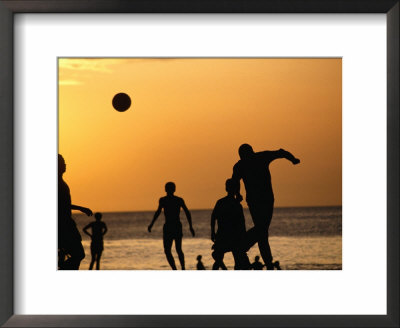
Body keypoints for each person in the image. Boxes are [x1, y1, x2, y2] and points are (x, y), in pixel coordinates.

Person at [232, 144, 300, 269]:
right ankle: (265, 261)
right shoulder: (251, 161)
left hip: (262, 200)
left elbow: (281, 152)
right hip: (261, 200)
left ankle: (247, 246)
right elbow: (282, 152)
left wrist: (293, 159)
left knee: (262, 231)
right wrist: (292, 159)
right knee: (262, 231)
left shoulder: (248, 162)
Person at [148, 182, 195, 270]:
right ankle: (177, 269)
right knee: (170, 250)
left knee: (176, 249)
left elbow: (187, 212)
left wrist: (191, 226)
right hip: (171, 227)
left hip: (174, 226)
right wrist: (151, 224)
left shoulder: (177, 200)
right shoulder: (165, 200)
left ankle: (181, 268)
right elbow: (158, 212)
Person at [58, 154, 93, 270]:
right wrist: (81, 208)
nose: (65, 165)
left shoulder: (62, 183)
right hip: (64, 225)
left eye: (64, 163)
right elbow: (61, 205)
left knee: (76, 256)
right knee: (78, 254)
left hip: (67, 223)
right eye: (62, 163)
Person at [211, 178, 251, 270]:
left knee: (219, 258)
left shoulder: (221, 202)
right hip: (231, 236)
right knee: (235, 258)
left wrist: (212, 232)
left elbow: (213, 217)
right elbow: (242, 223)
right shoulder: (236, 205)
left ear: (226, 188)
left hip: (226, 235)